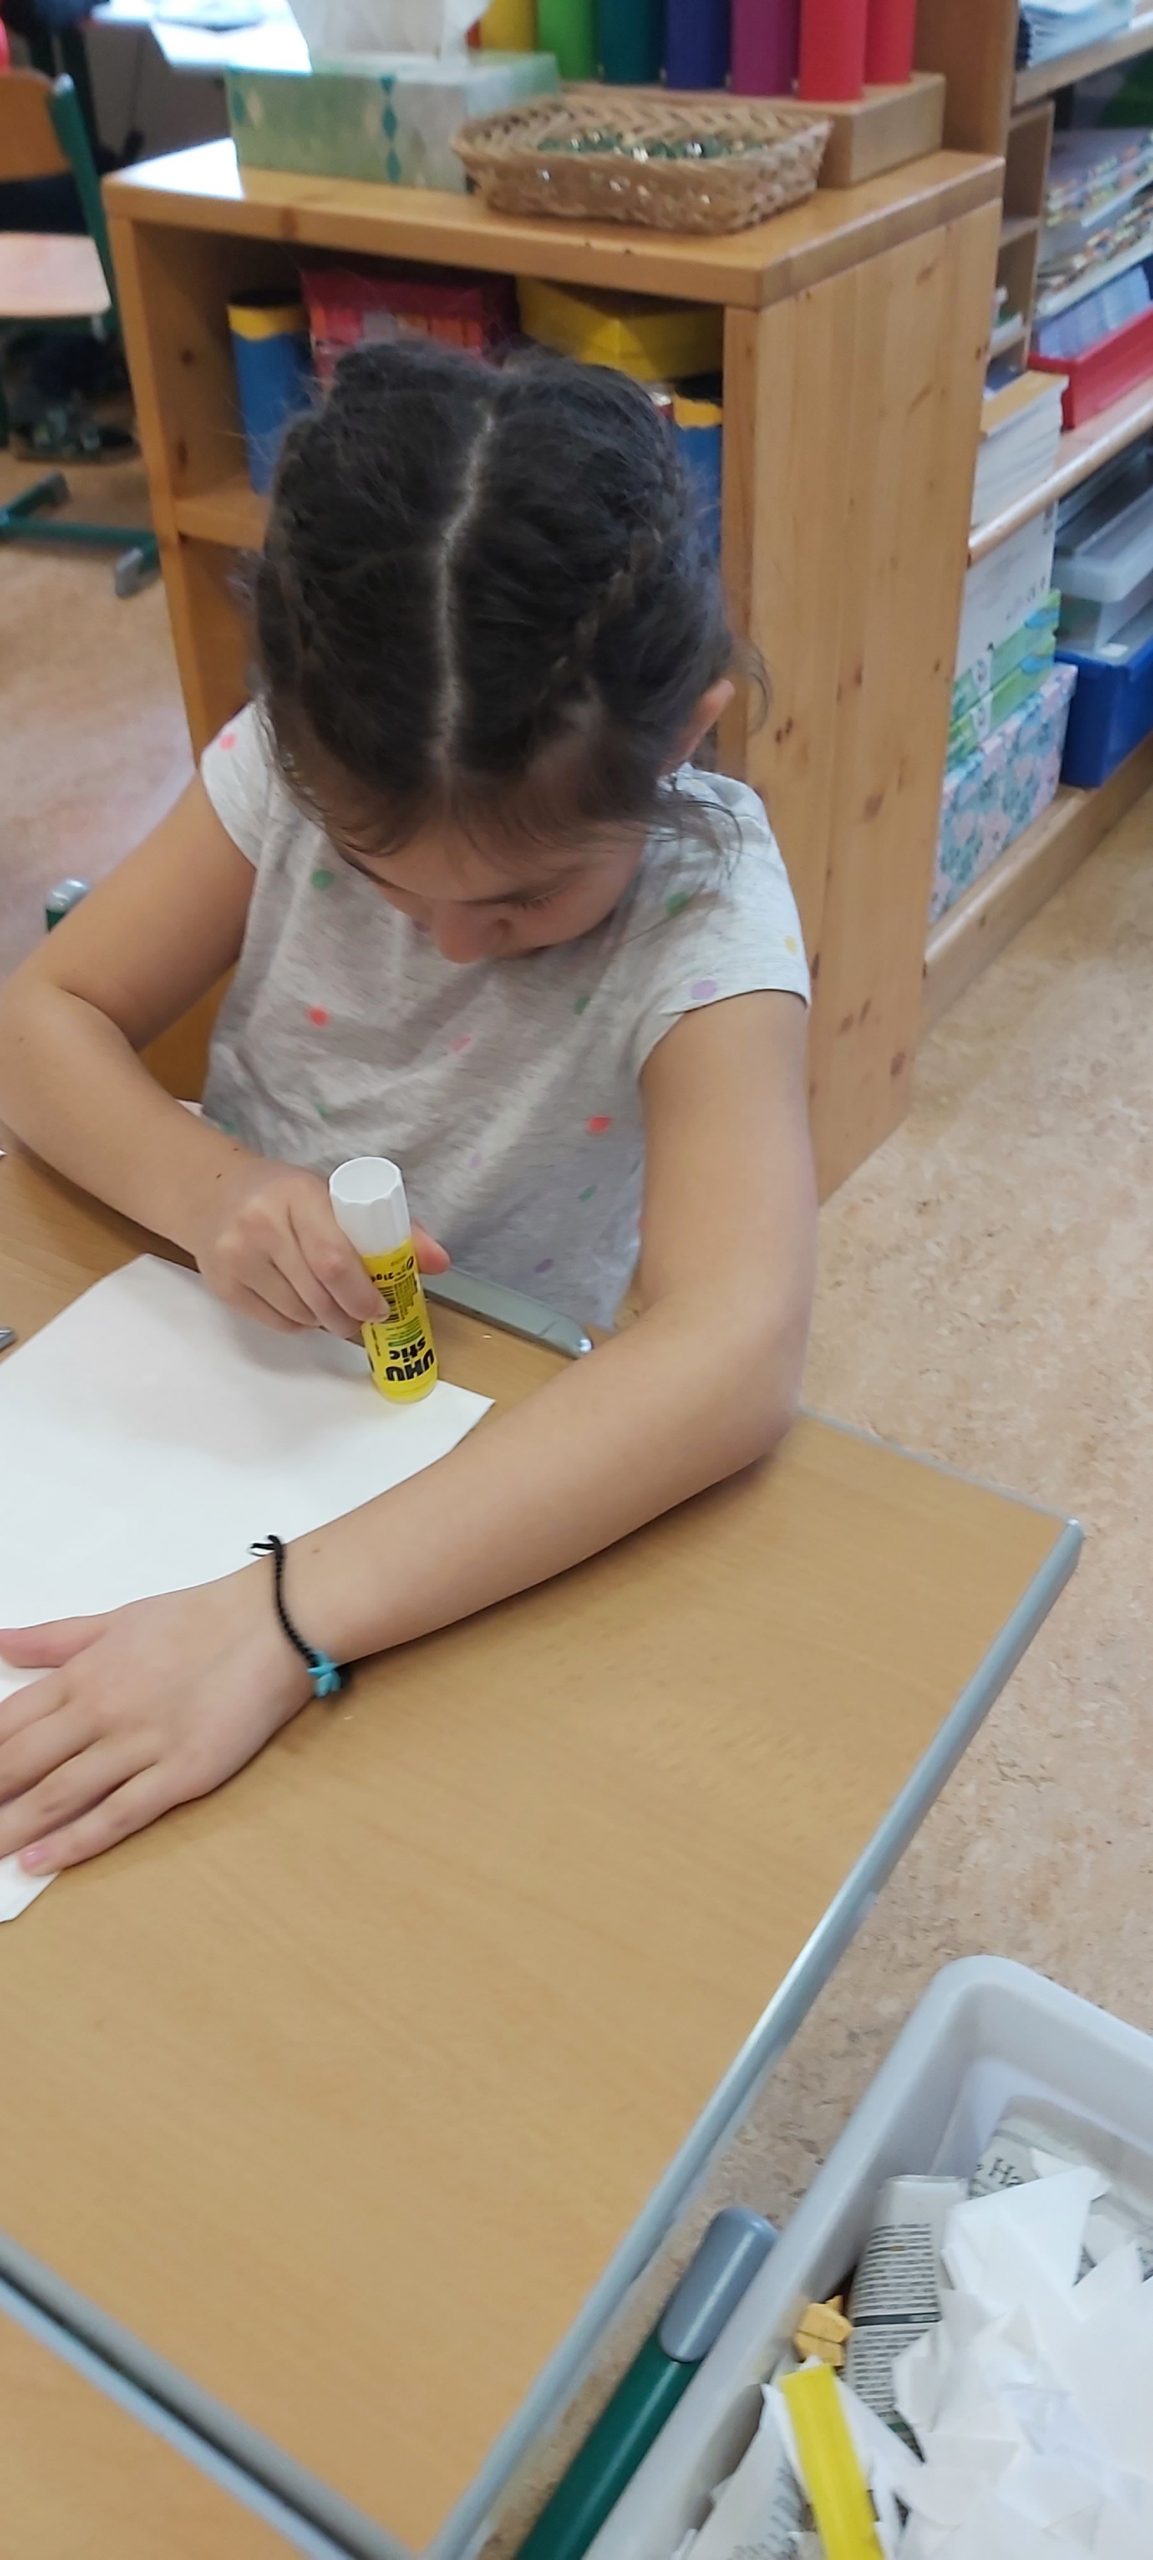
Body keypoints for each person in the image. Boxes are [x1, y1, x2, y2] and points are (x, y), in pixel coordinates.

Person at [0, 338, 816, 1876]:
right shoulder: (290, 770)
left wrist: (278, 1615)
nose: (447, 942)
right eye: (383, 882)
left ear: (682, 735)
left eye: (519, 901)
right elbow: (40, 1021)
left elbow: (735, 1347)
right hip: (228, 1370)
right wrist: (213, 1189)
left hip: (492, 1457)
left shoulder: (707, 913)